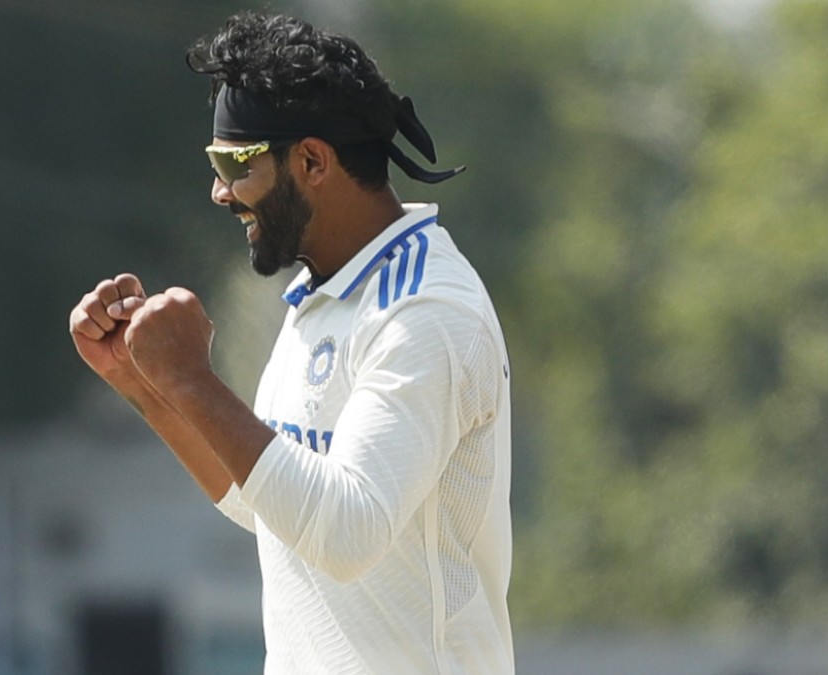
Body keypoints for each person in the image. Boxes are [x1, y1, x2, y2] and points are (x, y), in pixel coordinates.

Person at [69, 12, 514, 674]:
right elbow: (274, 505)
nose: (220, 191)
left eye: (234, 162)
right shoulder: (326, 293)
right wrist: (148, 385)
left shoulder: (424, 311)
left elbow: (344, 532)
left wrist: (194, 380)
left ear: (311, 160)